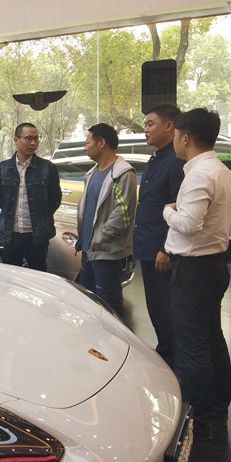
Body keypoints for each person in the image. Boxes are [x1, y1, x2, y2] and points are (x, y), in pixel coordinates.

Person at [163, 108, 231, 440]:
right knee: (212, 340)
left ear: (186, 138)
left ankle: (199, 418)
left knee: (192, 347)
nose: (174, 141)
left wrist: (168, 210)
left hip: (194, 270)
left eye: (176, 135)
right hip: (213, 266)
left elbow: (189, 224)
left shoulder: (199, 174)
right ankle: (217, 411)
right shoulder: (220, 170)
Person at [133, 105, 186, 368]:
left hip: (161, 251)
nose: (146, 129)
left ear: (169, 126)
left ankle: (174, 362)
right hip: (147, 246)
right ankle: (165, 354)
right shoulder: (156, 158)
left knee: (167, 310)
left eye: (150, 124)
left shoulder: (176, 161)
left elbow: (177, 207)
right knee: (156, 308)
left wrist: (166, 248)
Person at [75, 123, 137, 319]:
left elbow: (123, 213)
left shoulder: (122, 174)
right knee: (87, 302)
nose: (85, 147)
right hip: (89, 251)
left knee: (109, 305)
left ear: (101, 143)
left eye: (88, 143)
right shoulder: (92, 173)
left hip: (106, 253)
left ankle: (115, 339)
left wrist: (101, 237)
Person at [0, 122, 62, 271]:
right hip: (11, 233)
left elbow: (55, 199)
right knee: (11, 274)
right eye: (28, 138)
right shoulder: (3, 168)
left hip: (36, 235)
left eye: (36, 138)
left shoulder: (47, 168)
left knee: (38, 275)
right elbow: (1, 199)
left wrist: (42, 216)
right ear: (16, 140)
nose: (33, 143)